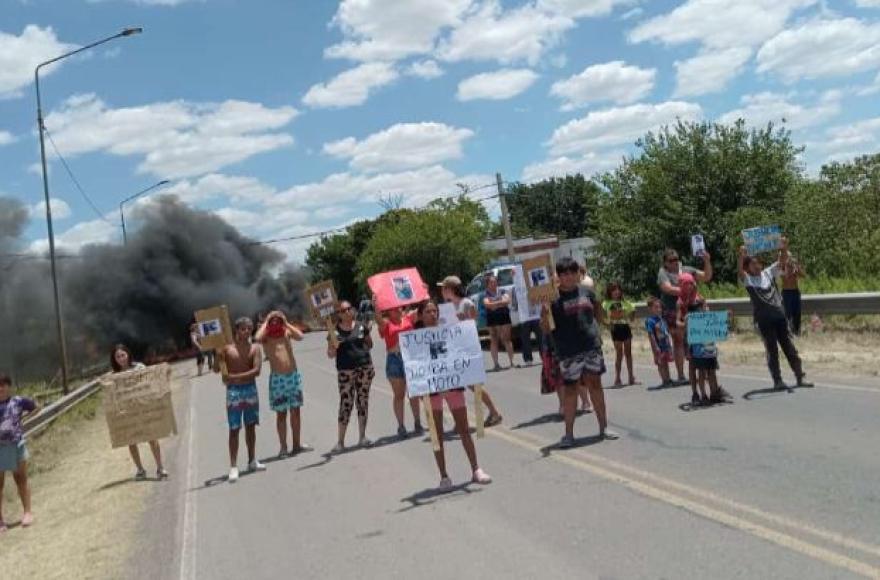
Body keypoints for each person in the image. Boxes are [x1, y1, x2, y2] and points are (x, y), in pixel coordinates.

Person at [542, 257, 619, 448]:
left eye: (571, 272)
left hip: (591, 346)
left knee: (595, 386)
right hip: (568, 352)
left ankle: (604, 428)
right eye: (564, 273)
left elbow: (599, 315)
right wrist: (544, 312)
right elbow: (545, 328)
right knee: (570, 391)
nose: (568, 276)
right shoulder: (552, 300)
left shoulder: (588, 293)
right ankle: (568, 435)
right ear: (559, 277)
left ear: (578, 274)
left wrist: (598, 331)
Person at [416, 301, 492, 491]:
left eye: (435, 311)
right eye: (428, 311)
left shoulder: (449, 332)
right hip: (431, 390)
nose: (432, 314)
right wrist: (417, 388)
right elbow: (413, 367)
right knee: (437, 435)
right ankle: (444, 476)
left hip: (453, 385)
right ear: (421, 316)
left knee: (464, 429)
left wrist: (467, 325)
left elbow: (464, 350)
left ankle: (476, 469)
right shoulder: (415, 339)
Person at [738, 238, 813, 390]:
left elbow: (782, 262)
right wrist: (741, 256)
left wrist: (784, 248)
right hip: (765, 321)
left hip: (780, 318)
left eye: (758, 263)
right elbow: (739, 271)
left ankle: (800, 377)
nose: (757, 266)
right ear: (748, 268)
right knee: (772, 350)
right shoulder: (748, 280)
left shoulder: (767, 274)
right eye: (753, 264)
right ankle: (777, 380)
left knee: (789, 348)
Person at [438, 276, 503, 426]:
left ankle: (494, 412)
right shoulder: (447, 307)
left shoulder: (466, 303)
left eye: (444, 288)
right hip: (454, 351)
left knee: (474, 385)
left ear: (451, 289)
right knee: (457, 387)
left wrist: (463, 320)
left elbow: (473, 324)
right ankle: (461, 420)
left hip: (467, 350)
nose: (442, 291)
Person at [216, 317, 266, 483]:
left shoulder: (255, 348)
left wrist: (234, 377)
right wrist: (218, 357)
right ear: (236, 330)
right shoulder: (227, 349)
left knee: (251, 426)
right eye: (243, 329)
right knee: (234, 428)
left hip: (250, 389)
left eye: (249, 329)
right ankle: (233, 466)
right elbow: (218, 370)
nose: (247, 332)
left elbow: (256, 370)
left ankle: (252, 460)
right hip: (234, 393)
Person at [255, 310, 309, 458]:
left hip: (293, 377)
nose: (275, 323)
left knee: (296, 411)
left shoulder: (286, 332)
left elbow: (301, 336)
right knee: (281, 414)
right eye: (273, 321)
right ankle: (283, 447)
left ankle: (296, 445)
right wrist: (267, 320)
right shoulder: (266, 337)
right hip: (278, 380)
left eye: (277, 320)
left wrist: (286, 322)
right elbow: (256, 337)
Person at [110, 345, 168, 480]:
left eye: (122, 355)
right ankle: (140, 469)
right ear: (114, 359)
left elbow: (149, 383)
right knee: (132, 442)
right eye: (117, 356)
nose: (121, 359)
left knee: (152, 438)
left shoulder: (139, 367)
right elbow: (113, 396)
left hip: (144, 409)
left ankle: (160, 467)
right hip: (128, 412)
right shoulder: (114, 376)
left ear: (128, 354)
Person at [658, 248, 713, 385]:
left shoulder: (688, 270)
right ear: (665, 263)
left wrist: (707, 261)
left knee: (697, 339)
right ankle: (682, 375)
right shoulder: (663, 273)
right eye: (671, 260)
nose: (675, 262)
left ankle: (702, 370)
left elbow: (706, 276)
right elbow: (668, 289)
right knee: (678, 341)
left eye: (676, 259)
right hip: (672, 309)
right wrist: (688, 291)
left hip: (692, 309)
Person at [327, 300, 375, 453]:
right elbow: (330, 354)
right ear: (339, 315)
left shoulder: (361, 326)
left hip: (364, 369)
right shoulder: (334, 332)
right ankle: (340, 442)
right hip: (346, 372)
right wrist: (334, 346)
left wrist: (362, 351)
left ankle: (362, 437)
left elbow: (370, 344)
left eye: (349, 308)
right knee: (345, 404)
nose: (347, 312)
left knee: (363, 401)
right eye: (343, 310)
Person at [374, 298, 423, 439]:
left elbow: (422, 308)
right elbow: (378, 319)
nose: (397, 309)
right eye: (393, 308)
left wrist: (422, 293)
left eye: (399, 307)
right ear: (388, 311)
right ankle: (401, 426)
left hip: (411, 359)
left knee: (414, 392)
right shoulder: (386, 324)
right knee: (399, 395)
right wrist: (376, 305)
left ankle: (417, 422)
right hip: (395, 360)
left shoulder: (408, 318)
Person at [0, 374, 40, 532]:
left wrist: (24, 420)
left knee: (21, 480)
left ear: (9, 386)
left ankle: (27, 512)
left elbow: (37, 407)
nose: (1, 388)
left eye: (3, 385)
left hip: (17, 445)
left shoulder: (17, 401)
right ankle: (1, 521)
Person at [676, 273, 722, 405]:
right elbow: (677, 322)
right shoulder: (680, 302)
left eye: (691, 283)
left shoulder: (700, 298)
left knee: (708, 365)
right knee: (693, 366)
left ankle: (713, 392)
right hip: (690, 337)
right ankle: (695, 393)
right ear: (682, 286)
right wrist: (686, 323)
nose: (689, 286)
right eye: (686, 284)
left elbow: (708, 314)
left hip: (704, 336)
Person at [603, 282, 639, 387]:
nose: (617, 292)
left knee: (628, 353)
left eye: (618, 289)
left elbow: (632, 314)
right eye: (614, 290)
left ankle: (631, 376)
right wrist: (608, 324)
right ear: (610, 292)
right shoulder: (606, 303)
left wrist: (632, 313)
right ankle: (617, 378)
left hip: (625, 327)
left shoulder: (625, 302)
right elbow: (603, 317)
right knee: (619, 353)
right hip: (615, 328)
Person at [483, 274, 516, 371]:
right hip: (492, 318)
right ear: (487, 284)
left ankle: (512, 363)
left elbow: (507, 301)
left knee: (507, 339)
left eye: (495, 281)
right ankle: (496, 364)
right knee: (494, 339)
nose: (494, 284)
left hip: (504, 316)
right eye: (491, 282)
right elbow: (487, 304)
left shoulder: (502, 291)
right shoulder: (485, 294)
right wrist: (500, 302)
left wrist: (494, 304)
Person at [645, 297, 674, 388]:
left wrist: (670, 344)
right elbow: (651, 335)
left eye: (660, 307)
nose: (659, 309)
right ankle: (664, 380)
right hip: (658, 345)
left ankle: (668, 379)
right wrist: (655, 347)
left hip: (665, 344)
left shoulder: (662, 319)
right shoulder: (650, 321)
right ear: (650, 309)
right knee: (660, 363)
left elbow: (666, 332)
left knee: (666, 362)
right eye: (656, 307)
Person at [781, 253, 806, 336]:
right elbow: (785, 277)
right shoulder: (782, 267)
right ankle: (788, 333)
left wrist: (797, 268)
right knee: (787, 313)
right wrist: (789, 269)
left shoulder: (795, 267)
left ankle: (797, 332)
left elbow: (803, 275)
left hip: (795, 291)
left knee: (797, 313)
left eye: (790, 257)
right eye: (788, 258)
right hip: (786, 292)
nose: (790, 260)